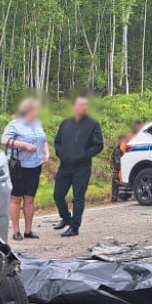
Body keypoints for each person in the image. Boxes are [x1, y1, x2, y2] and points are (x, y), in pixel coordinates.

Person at [52, 95, 104, 237]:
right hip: (65, 166)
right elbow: (57, 142)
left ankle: (74, 227)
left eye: (86, 105)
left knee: (78, 198)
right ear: (74, 106)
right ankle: (66, 217)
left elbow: (99, 145)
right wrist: (61, 153)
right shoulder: (65, 123)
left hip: (82, 167)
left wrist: (83, 155)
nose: (84, 107)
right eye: (81, 105)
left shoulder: (93, 124)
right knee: (58, 195)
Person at [2, 97, 48, 242]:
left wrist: (46, 152)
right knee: (16, 199)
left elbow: (43, 140)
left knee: (30, 199)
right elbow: (4, 140)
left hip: (35, 166)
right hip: (19, 167)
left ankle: (28, 231)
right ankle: (16, 231)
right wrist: (24, 145)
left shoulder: (37, 124)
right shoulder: (14, 125)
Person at [111, 120, 143, 202]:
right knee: (117, 178)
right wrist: (118, 165)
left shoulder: (137, 136)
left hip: (126, 159)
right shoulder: (129, 136)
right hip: (119, 158)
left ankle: (125, 196)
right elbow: (121, 149)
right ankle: (114, 198)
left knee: (125, 178)